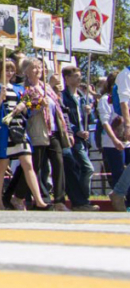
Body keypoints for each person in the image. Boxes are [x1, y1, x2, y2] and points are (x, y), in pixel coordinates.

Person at [0, 58, 50, 210]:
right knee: (2, 165)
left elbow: (30, 106)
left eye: (12, 70)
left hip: (19, 129)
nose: (9, 73)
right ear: (0, 71)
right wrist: (0, 99)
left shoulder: (19, 89)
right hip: (4, 131)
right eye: (6, 69)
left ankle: (39, 200)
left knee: (28, 163)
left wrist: (40, 103)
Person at [9, 58, 67, 211]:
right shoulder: (24, 88)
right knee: (35, 165)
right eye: (34, 68)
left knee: (58, 163)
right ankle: (19, 196)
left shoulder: (46, 87)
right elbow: (25, 108)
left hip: (52, 130)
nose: (38, 70)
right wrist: (39, 105)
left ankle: (60, 200)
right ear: (26, 71)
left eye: (39, 67)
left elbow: (58, 108)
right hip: (36, 130)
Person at [60, 66, 98, 211]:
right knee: (87, 168)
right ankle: (82, 199)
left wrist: (90, 112)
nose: (79, 78)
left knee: (80, 169)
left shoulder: (82, 97)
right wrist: (76, 131)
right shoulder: (64, 97)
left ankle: (81, 200)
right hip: (73, 138)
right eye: (75, 76)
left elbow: (90, 119)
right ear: (67, 79)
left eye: (79, 75)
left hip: (83, 139)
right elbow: (65, 118)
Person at [98, 70, 130, 209]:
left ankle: (118, 192)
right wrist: (128, 126)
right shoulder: (126, 75)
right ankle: (118, 192)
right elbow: (124, 103)